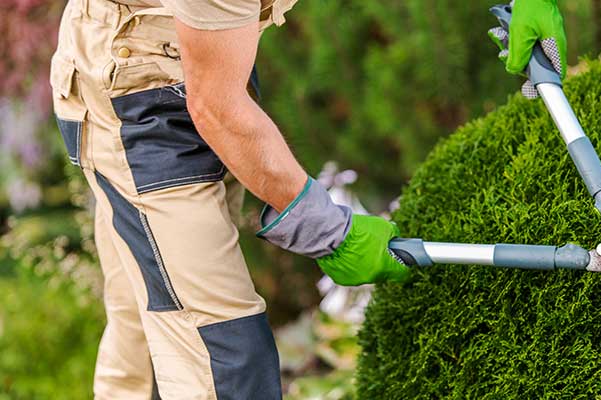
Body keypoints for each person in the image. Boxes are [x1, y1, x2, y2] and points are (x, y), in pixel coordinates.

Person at [49, 0, 566, 397]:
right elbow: (218, 108)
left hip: (205, 55)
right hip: (136, 93)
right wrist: (330, 233)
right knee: (224, 358)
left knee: (149, 320)